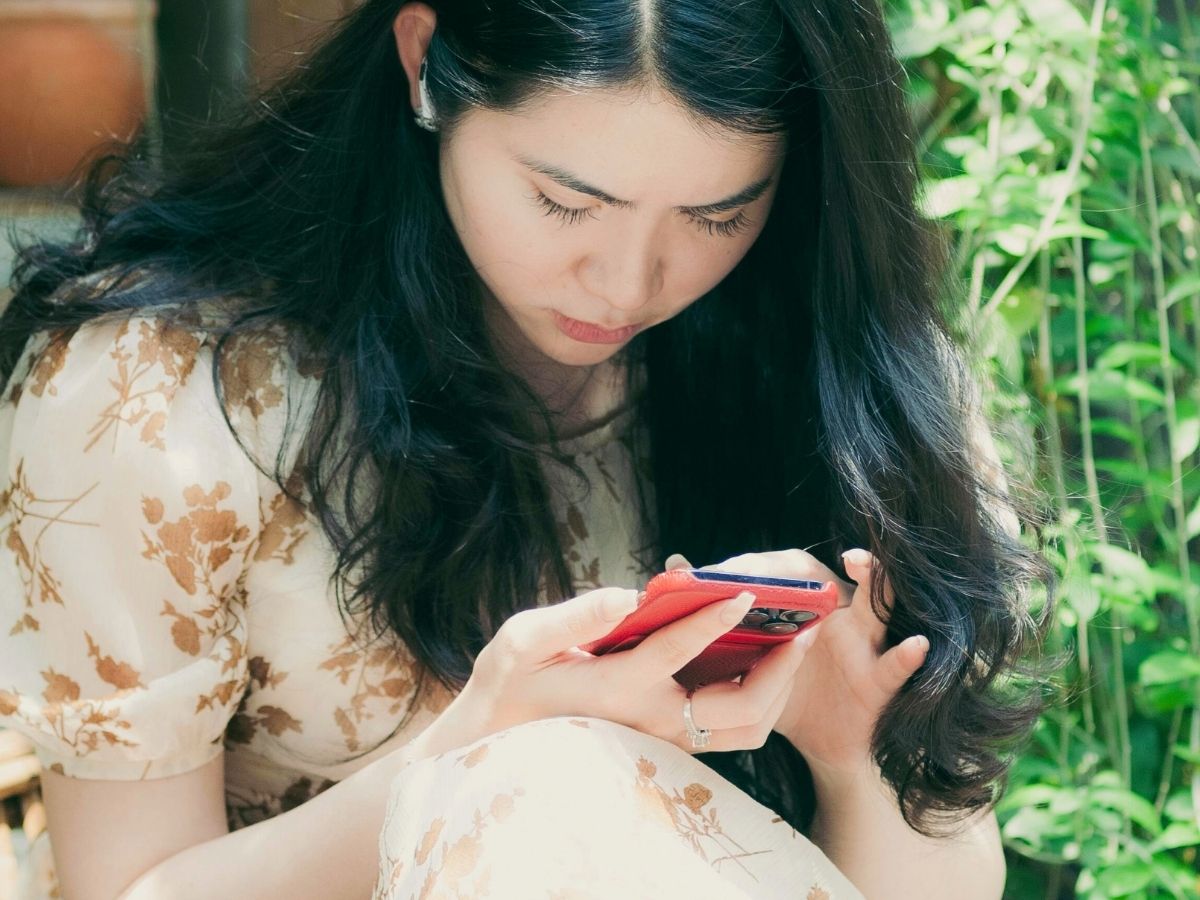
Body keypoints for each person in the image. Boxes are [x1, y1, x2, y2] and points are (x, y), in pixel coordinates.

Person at [0, 0, 1055, 897]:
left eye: (717, 216)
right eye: (566, 202)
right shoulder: (164, 394)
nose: (631, 282)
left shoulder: (840, 384)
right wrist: (469, 751)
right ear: (425, 68)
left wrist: (851, 752)